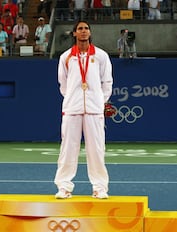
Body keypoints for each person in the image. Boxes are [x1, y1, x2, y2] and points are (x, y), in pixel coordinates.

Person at [54, 20, 113, 200]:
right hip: (72, 108)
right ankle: (64, 186)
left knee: (96, 149)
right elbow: (63, 84)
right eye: (80, 29)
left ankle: (100, 187)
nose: (83, 31)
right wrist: (73, 98)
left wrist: (98, 101)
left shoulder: (101, 56)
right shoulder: (66, 57)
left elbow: (107, 82)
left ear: (90, 32)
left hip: (94, 110)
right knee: (68, 149)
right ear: (74, 33)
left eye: (86, 28)